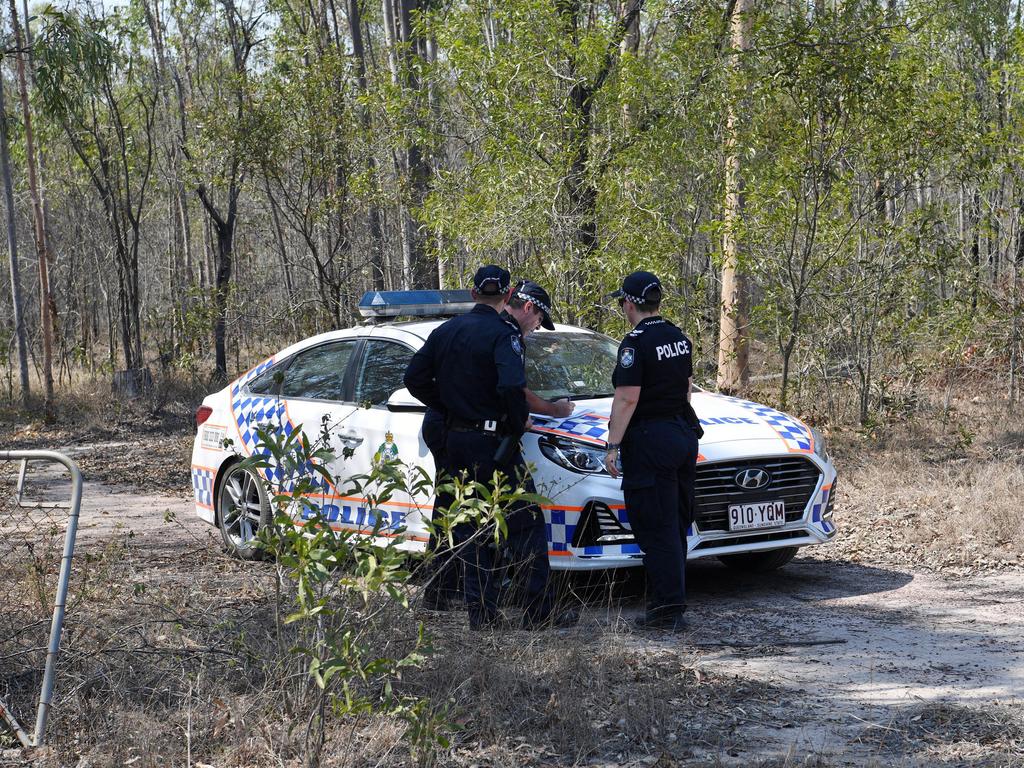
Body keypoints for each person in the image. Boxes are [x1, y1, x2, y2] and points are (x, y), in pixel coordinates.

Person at [404, 266, 574, 629]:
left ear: (473, 291)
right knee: (526, 523)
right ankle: (538, 612)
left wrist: (448, 406)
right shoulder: (504, 335)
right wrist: (514, 422)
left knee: (468, 525)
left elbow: (413, 378)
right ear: (508, 293)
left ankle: (482, 616)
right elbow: (512, 388)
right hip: (492, 443)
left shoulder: (446, 331)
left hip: (455, 440)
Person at [603, 271, 699, 631]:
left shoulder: (634, 344)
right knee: (674, 523)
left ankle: (667, 611)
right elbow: (686, 388)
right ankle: (672, 602)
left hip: (650, 440)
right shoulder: (678, 337)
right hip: (682, 433)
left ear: (629, 303)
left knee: (654, 525)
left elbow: (627, 398)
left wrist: (612, 445)